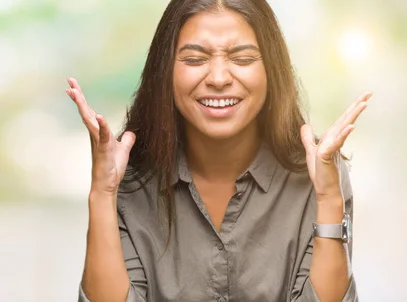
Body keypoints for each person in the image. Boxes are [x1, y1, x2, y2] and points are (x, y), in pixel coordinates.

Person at [67, 0, 371, 301]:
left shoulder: (317, 172)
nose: (219, 78)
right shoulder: (127, 179)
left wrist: (329, 197)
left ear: (272, 71)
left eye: (242, 59)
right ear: (165, 71)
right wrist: (103, 194)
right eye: (195, 59)